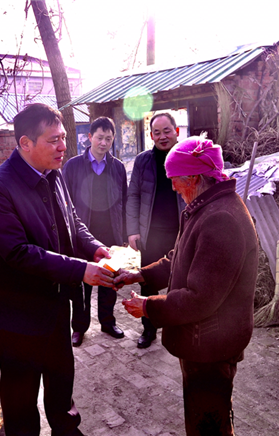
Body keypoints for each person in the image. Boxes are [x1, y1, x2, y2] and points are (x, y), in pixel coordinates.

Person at [0, 103, 115, 436]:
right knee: (21, 394)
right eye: (53, 140)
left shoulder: (54, 173)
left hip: (56, 302)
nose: (62, 147)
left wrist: (93, 247)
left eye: (64, 138)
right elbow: (18, 252)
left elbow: (72, 220)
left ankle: (66, 428)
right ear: (25, 143)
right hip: (19, 311)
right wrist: (79, 270)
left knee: (61, 379)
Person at [117, 135, 258, 436]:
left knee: (207, 425)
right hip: (205, 339)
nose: (172, 187)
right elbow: (180, 258)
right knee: (209, 416)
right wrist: (139, 275)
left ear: (193, 178)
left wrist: (148, 306)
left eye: (175, 179)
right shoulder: (206, 206)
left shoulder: (221, 218)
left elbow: (200, 298)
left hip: (211, 345)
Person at [63, 117, 127, 346]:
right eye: (99, 138)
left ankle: (108, 322)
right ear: (89, 137)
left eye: (108, 139)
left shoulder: (117, 167)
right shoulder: (72, 166)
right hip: (82, 236)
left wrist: (124, 236)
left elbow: (124, 201)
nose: (104, 143)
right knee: (82, 284)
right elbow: (65, 202)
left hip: (110, 234)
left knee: (109, 282)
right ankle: (79, 327)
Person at [126, 112, 186, 348]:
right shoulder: (143, 161)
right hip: (150, 233)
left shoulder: (186, 156)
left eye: (167, 131)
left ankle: (176, 326)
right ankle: (149, 329)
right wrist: (133, 230)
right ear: (151, 136)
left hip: (180, 232)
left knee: (179, 281)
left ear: (176, 131)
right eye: (157, 132)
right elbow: (133, 195)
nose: (162, 136)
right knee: (148, 281)